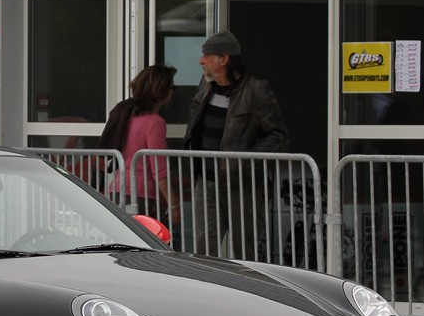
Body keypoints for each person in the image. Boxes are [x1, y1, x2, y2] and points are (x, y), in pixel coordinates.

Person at [182, 29, 289, 258]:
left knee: (244, 249)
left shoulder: (255, 90)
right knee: (204, 248)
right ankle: (206, 283)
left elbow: (278, 136)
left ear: (224, 59)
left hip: (241, 185)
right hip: (205, 181)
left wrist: (244, 161)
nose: (201, 61)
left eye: (207, 55)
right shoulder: (206, 85)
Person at [98, 64, 177, 224]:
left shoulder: (126, 114)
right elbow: (159, 169)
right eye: (172, 87)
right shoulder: (155, 122)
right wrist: (174, 204)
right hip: (140, 194)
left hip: (117, 188)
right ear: (162, 90)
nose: (173, 92)